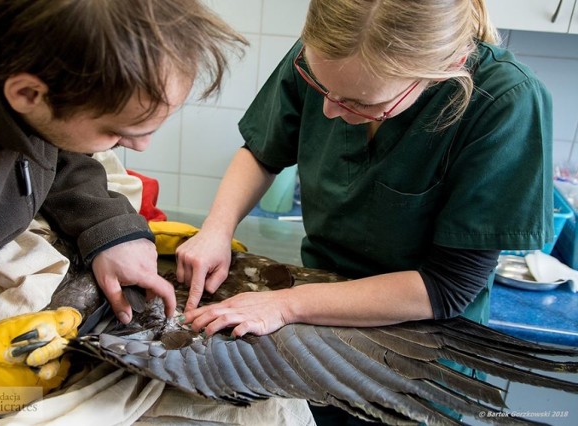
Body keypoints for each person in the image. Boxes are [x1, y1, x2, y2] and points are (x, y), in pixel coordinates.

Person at [175, 0, 553, 423]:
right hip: (311, 329)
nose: (328, 112)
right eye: (320, 87)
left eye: (359, 102)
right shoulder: (334, 48)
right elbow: (264, 150)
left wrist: (286, 305)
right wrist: (215, 229)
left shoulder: (504, 102)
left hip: (417, 355)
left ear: (446, 67)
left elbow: (448, 285)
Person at [0, 0, 245, 410]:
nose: (141, 145)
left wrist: (109, 227)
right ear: (28, 93)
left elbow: (52, 147)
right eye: (119, 131)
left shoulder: (22, 74)